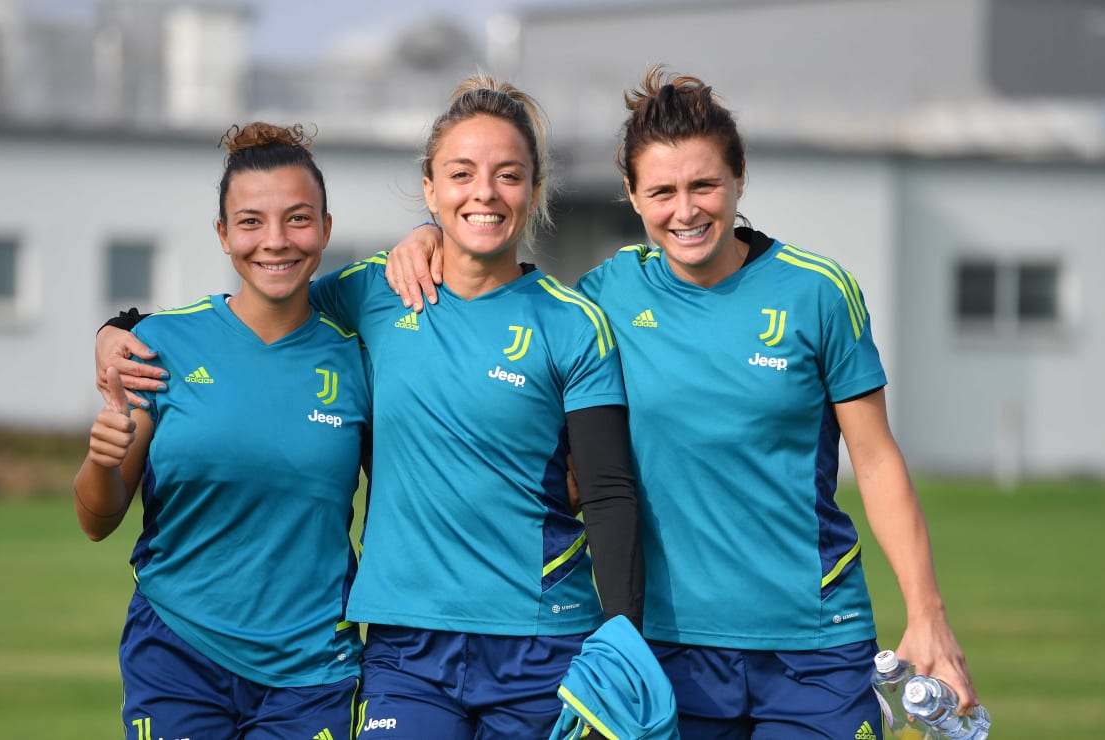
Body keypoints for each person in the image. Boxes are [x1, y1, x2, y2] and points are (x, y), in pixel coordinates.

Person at [386, 67, 981, 738]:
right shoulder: (602, 298)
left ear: (740, 177)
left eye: (704, 185)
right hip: (667, 650)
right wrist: (428, 238)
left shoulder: (818, 292)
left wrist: (927, 613)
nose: (686, 211)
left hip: (816, 643)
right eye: (662, 192)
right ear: (632, 194)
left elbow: (874, 461)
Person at [94, 75, 644, 739]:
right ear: (429, 188)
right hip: (404, 646)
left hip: (539, 638)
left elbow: (607, 491)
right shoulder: (374, 291)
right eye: (461, 174)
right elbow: (265, 301)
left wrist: (623, 638)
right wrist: (120, 328)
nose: (485, 192)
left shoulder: (573, 322)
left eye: (508, 175)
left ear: (534, 188)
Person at [74, 122, 370, 740]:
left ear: (325, 228)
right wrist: (101, 461)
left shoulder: (360, 357)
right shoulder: (160, 343)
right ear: (223, 234)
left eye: (297, 219)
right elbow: (98, 521)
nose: (275, 241)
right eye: (251, 222)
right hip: (176, 652)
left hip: (312, 670)